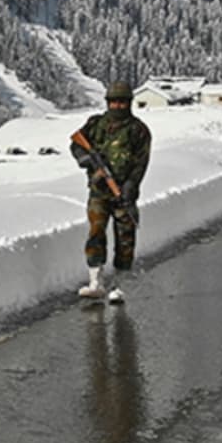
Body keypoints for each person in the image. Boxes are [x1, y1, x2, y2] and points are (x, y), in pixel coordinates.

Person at [71, 81, 152, 305]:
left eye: (122, 102)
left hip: (124, 193)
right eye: (114, 102)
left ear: (129, 103)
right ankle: (96, 282)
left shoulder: (139, 130)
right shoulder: (96, 124)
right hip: (99, 192)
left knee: (125, 237)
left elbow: (141, 163)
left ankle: (119, 285)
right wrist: (85, 159)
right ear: (108, 103)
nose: (117, 106)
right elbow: (76, 144)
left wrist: (131, 185)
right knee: (96, 232)